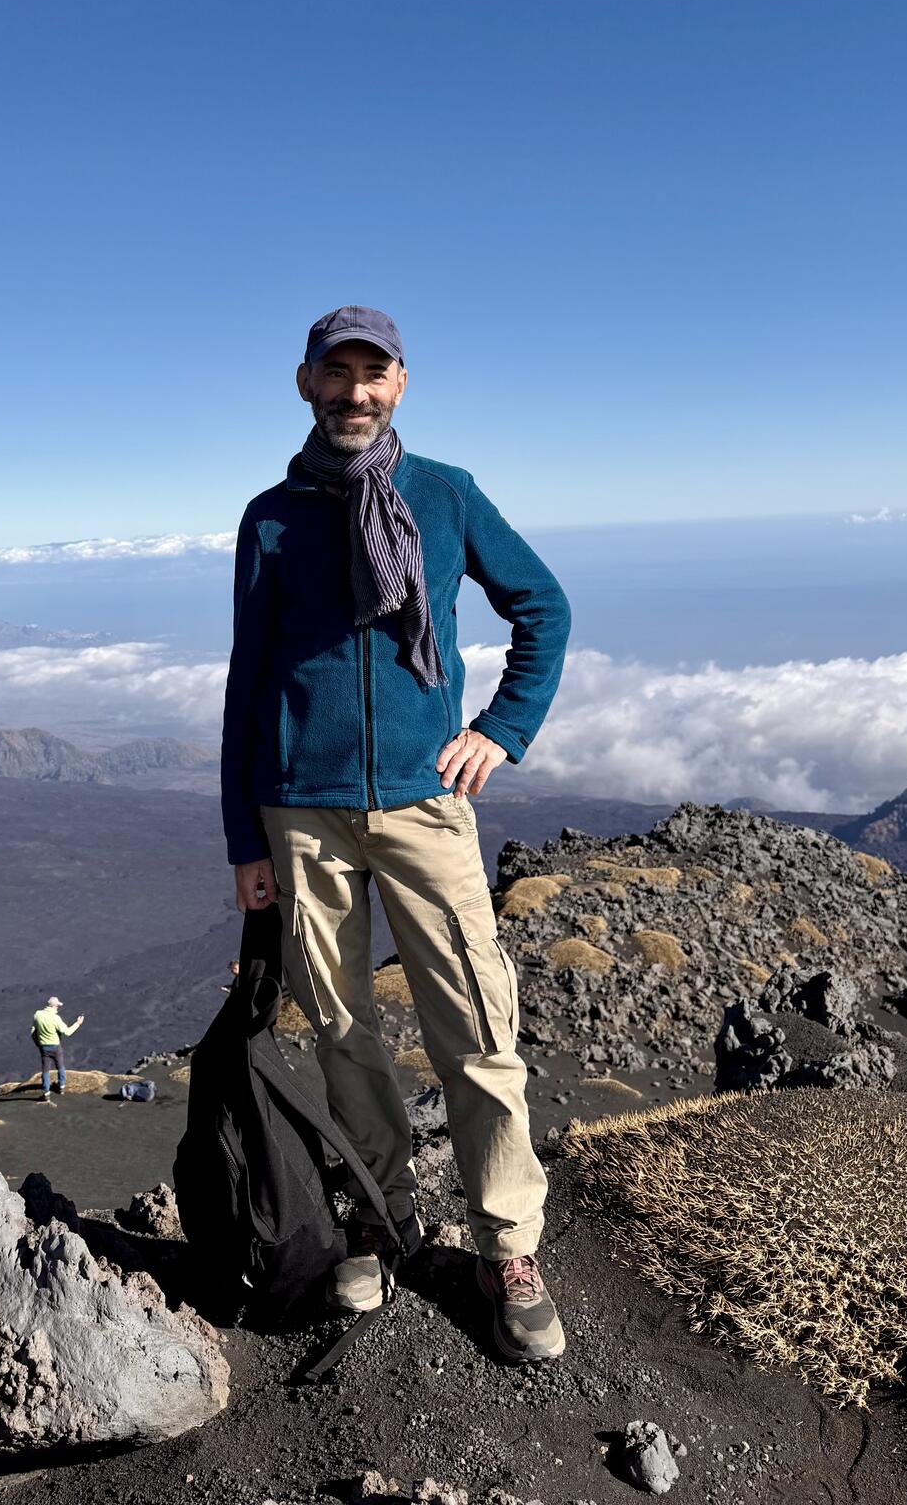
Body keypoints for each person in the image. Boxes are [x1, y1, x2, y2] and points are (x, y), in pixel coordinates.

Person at [220, 305, 572, 1363]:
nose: (356, 392)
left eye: (375, 375)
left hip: (424, 804)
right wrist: (245, 833)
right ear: (305, 383)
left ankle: (506, 1242)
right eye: (339, 374)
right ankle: (380, 1210)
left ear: (402, 384)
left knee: (476, 1028)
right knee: (340, 1028)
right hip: (300, 810)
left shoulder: (443, 494)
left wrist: (501, 730)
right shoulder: (271, 516)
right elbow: (249, 680)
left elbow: (542, 607)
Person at [31, 995, 84, 1100]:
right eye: (58, 1006)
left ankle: (46, 1093)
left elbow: (33, 1031)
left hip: (43, 1047)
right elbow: (67, 1032)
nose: (58, 1007)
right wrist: (78, 1023)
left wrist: (38, 1043)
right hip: (55, 1046)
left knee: (45, 1070)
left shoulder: (38, 1014)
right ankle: (61, 1087)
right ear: (55, 1006)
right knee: (60, 1066)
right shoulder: (55, 1018)